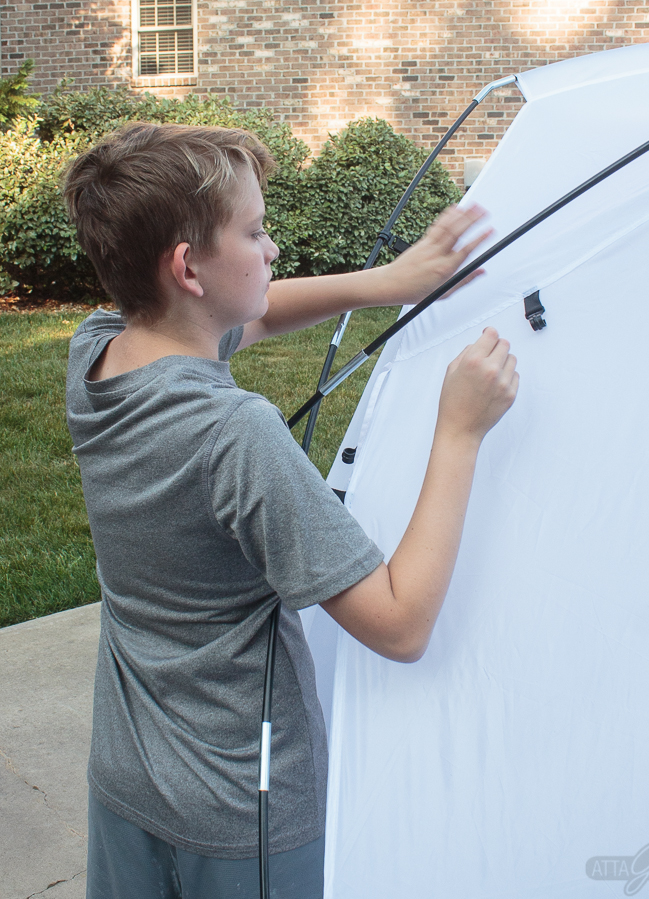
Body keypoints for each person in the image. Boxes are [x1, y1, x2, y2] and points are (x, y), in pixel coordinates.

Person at [63, 122, 519, 899]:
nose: (271, 248)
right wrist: (459, 431)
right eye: (254, 230)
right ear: (188, 268)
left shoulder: (98, 350)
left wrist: (389, 281)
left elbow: (252, 315)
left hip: (127, 783)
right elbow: (399, 622)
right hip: (245, 813)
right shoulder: (233, 433)